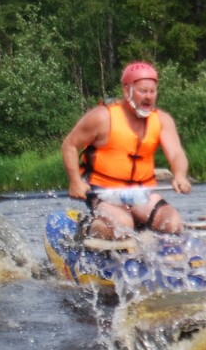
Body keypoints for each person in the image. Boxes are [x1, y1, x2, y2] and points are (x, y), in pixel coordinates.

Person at [61, 61, 192, 238]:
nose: (148, 97)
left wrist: (180, 175)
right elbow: (69, 145)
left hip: (140, 192)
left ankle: (148, 238)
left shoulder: (162, 120)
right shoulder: (102, 117)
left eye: (152, 92)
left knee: (172, 223)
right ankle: (86, 229)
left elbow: (176, 153)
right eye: (142, 91)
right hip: (104, 192)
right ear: (127, 90)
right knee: (123, 225)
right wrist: (75, 182)